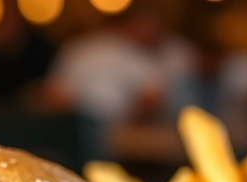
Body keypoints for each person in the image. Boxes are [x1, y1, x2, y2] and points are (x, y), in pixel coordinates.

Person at [45, 4, 194, 124]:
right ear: (129, 24)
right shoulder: (132, 52)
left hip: (87, 130)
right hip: (90, 128)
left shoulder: (77, 45)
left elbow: (56, 93)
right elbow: (152, 98)